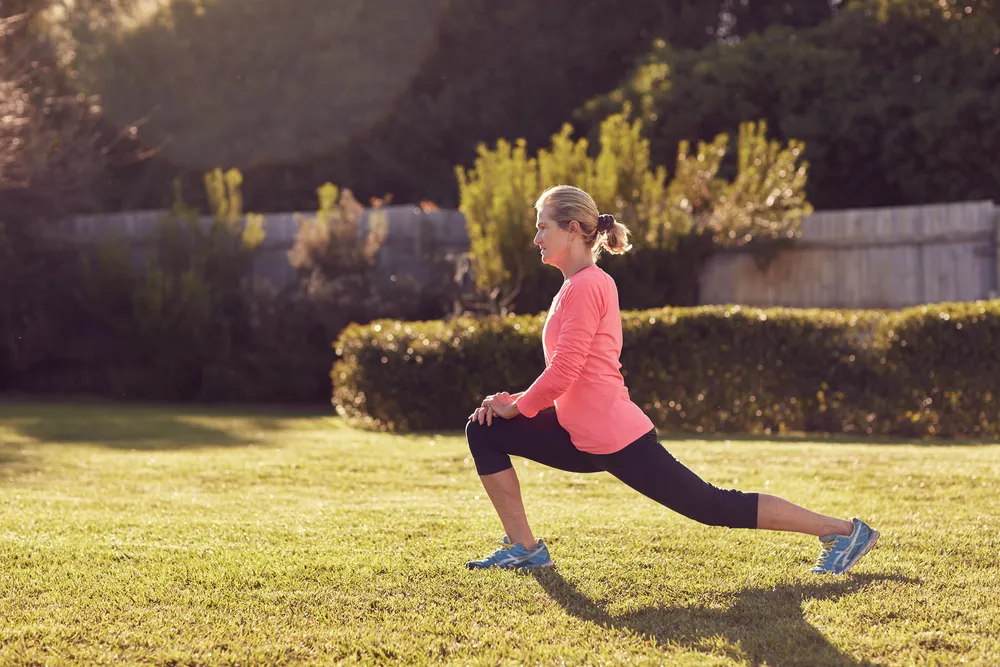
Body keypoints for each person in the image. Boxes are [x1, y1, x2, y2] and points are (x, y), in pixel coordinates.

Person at [464, 184, 879, 574]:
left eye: (542, 227)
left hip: (612, 436)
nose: (536, 238)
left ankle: (844, 532)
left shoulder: (588, 285)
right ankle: (525, 549)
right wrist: (511, 403)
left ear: (572, 230)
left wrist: (518, 406)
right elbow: (576, 371)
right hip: (577, 432)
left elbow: (566, 369)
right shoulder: (572, 287)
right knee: (485, 430)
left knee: (714, 507)